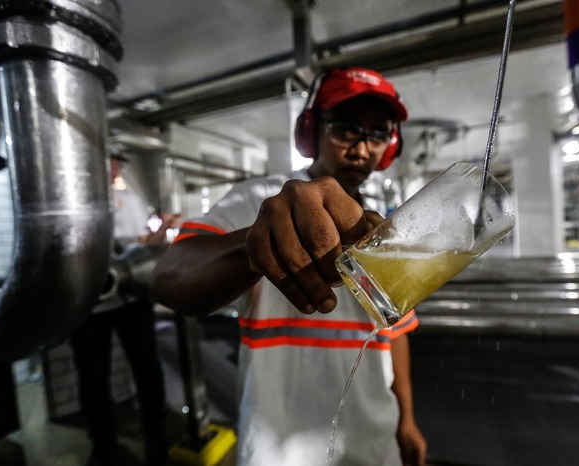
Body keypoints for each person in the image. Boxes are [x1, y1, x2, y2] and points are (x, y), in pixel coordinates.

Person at [150, 67, 428, 466]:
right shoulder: (261, 200)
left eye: (378, 133)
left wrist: (407, 421)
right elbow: (169, 279)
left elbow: (396, 332)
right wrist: (255, 244)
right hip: (279, 450)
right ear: (310, 131)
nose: (362, 148)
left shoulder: (387, 228)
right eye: (347, 128)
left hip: (374, 444)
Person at [70, 154, 178, 466]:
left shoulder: (129, 200)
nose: (115, 168)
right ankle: (103, 445)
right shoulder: (78, 200)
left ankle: (156, 439)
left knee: (147, 367)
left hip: (131, 299)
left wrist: (162, 232)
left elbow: (144, 242)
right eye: (109, 161)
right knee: (93, 376)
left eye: (117, 163)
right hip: (90, 302)